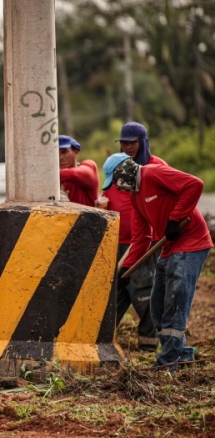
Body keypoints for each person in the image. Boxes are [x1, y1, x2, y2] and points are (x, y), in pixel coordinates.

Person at [102, 153, 213, 370]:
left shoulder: (154, 173)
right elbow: (141, 239)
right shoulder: (135, 196)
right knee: (158, 303)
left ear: (124, 171)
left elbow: (194, 184)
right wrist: (125, 270)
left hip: (191, 243)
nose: (117, 187)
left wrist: (175, 218)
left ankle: (169, 360)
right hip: (169, 247)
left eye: (116, 181)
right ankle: (181, 354)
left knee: (174, 302)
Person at [96, 122, 166, 351]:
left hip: (147, 241)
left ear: (142, 143)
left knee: (143, 290)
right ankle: (102, 340)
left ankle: (148, 344)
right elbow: (107, 194)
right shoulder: (118, 167)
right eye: (123, 142)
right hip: (118, 242)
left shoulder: (156, 167)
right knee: (115, 290)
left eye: (131, 142)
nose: (127, 146)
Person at [58, 135, 98, 207]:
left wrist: (49, 174)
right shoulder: (57, 178)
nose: (60, 157)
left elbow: (75, 174)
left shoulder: (88, 166)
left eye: (64, 152)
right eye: (57, 154)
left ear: (76, 152)